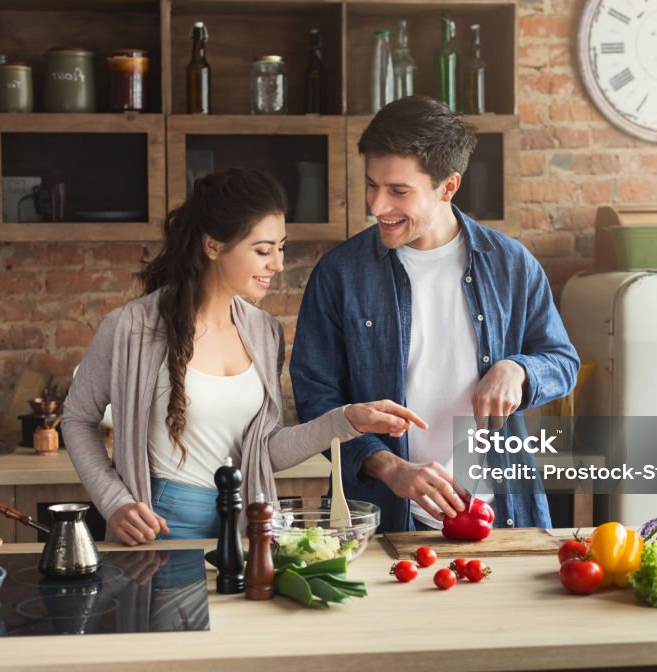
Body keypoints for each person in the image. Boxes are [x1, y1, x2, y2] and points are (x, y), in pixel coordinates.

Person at [62, 168, 425, 545]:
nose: (278, 264)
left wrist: (346, 420)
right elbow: (77, 418)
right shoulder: (131, 327)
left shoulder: (264, 332)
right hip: (162, 523)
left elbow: (264, 451)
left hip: (247, 523)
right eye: (263, 250)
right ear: (213, 246)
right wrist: (114, 501)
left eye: (281, 248)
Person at [290, 96, 580, 533]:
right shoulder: (340, 275)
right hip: (385, 520)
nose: (377, 206)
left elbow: (562, 362)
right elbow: (316, 399)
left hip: (500, 516)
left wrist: (517, 370)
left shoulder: (511, 265)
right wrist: (389, 467)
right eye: (372, 185)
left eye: (399, 192)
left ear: (448, 187)